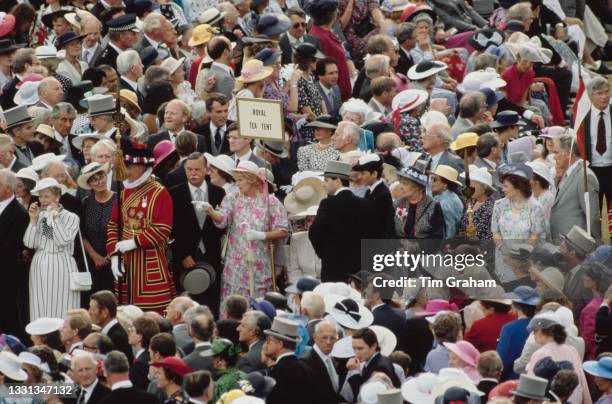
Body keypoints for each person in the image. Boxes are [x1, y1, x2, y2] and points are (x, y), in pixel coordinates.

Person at [106, 140, 176, 312]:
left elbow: (162, 229)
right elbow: (113, 225)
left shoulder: (160, 192)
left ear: (141, 167)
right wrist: (114, 255)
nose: (125, 172)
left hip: (149, 262)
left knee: (153, 314)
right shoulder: (123, 192)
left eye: (128, 167)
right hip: (125, 262)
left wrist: (134, 242)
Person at [205, 161, 288, 302]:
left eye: (240, 180)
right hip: (235, 265)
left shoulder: (270, 202)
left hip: (260, 264)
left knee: (257, 306)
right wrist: (210, 211)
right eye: (236, 180)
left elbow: (283, 230)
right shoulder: (233, 198)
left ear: (252, 179)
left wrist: (261, 235)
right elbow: (222, 220)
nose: (237, 183)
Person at [169, 152, 225, 314]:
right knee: (187, 303)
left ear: (206, 170)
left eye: (197, 170)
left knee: (211, 303)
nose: (193, 173)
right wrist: (182, 254)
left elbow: (223, 224)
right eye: (189, 169)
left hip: (212, 254)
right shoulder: (174, 193)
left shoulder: (218, 193)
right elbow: (171, 229)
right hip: (186, 257)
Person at [309, 161, 377, 281]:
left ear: (338, 181)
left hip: (333, 266)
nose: (323, 184)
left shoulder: (328, 203)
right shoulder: (366, 204)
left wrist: (324, 253)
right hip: (359, 268)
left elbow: (314, 231)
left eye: (326, 180)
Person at [25, 177, 80, 319]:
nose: (43, 200)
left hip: (61, 264)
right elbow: (30, 243)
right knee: (39, 307)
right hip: (40, 264)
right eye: (41, 196)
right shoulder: (40, 216)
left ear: (57, 196)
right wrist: (33, 220)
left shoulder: (71, 217)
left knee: (61, 306)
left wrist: (54, 218)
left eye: (47, 196)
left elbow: (62, 241)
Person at [526, 311, 592, 404]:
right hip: (574, 399)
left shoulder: (540, 353)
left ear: (547, 331)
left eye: (536, 330)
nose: (533, 334)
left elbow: (531, 386)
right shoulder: (572, 350)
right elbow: (582, 380)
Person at [550, 133, 601, 243]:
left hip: (575, 246)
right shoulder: (568, 172)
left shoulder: (585, 177)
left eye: (556, 152)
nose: (554, 157)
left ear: (569, 153)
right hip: (562, 242)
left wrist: (595, 245)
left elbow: (592, 216)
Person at [263, 317, 320, 404]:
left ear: (280, 344)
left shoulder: (276, 371)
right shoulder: (308, 369)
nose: (266, 344)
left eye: (269, 340)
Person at [78, 162, 115, 293]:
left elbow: (125, 230)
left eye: (101, 177)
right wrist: (95, 257)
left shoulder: (119, 199)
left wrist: (111, 256)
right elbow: (82, 234)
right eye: (94, 179)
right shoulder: (86, 203)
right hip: (93, 263)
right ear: (89, 184)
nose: (99, 182)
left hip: (117, 260)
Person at [0, 169, 29, 337]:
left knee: (7, 315)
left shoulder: (19, 213)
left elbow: (10, 246)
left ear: (8, 189)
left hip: (7, 275)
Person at [580, 77, 611, 207]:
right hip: (591, 171)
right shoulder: (581, 116)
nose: (604, 97)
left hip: (611, 168)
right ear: (590, 96)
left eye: (607, 92)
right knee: (592, 212)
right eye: (599, 93)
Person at [346, 327, 400, 398]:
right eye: (354, 348)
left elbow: (363, 396)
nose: (356, 353)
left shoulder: (380, 367)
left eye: (360, 348)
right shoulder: (380, 359)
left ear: (374, 346)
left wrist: (354, 372)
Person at [393, 166, 445, 239]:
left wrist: (418, 245)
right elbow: (389, 231)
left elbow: (437, 235)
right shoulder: (397, 204)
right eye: (401, 183)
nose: (401, 187)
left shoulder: (433, 206)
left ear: (419, 188)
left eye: (405, 184)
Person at [300, 320, 343, 404]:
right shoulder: (306, 362)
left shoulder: (332, 359)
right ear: (315, 337)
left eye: (332, 338)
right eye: (324, 337)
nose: (328, 342)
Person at [89, 290, 133, 363]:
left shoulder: (117, 338)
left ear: (104, 312)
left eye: (92, 309)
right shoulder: (110, 333)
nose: (89, 312)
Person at [580, 263, 611, 361]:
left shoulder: (592, 307)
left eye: (587, 275)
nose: (583, 277)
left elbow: (587, 341)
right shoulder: (606, 303)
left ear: (595, 281)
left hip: (593, 359)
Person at [430, 165, 464, 239]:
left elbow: (450, 230)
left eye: (435, 180)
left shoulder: (446, 203)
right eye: (432, 179)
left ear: (445, 185)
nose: (432, 182)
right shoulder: (446, 197)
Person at [128, 316, 160, 390]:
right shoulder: (148, 356)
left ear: (139, 337)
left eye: (132, 330)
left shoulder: (140, 363)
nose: (129, 333)